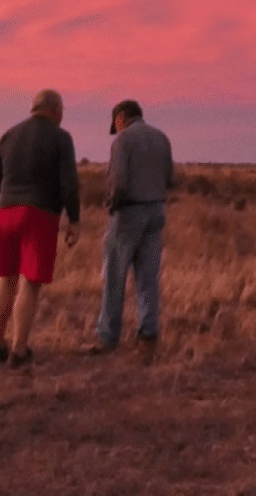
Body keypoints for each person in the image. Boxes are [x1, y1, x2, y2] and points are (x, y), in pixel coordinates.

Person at [0, 89, 81, 368]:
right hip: (40, 214)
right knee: (31, 283)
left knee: (5, 279)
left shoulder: (9, 134)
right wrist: (74, 219)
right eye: (61, 110)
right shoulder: (60, 138)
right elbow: (69, 183)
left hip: (6, 212)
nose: (62, 116)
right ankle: (20, 350)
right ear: (53, 109)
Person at [90, 99, 174, 361]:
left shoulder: (123, 141)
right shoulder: (162, 138)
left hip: (129, 213)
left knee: (115, 277)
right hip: (156, 211)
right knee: (148, 278)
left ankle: (107, 337)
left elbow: (117, 180)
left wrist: (113, 204)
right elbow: (170, 177)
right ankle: (148, 338)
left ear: (121, 118)